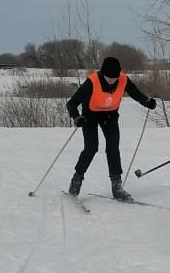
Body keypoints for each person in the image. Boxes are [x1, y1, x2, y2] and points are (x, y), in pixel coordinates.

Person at [65, 56, 157, 200]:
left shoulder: (123, 79)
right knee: (91, 147)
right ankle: (77, 179)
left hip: (110, 116)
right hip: (90, 116)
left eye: (115, 78)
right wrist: (76, 117)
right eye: (109, 78)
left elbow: (135, 93)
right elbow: (71, 104)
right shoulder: (92, 82)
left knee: (113, 147)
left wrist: (147, 102)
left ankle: (117, 186)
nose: (112, 81)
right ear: (103, 74)